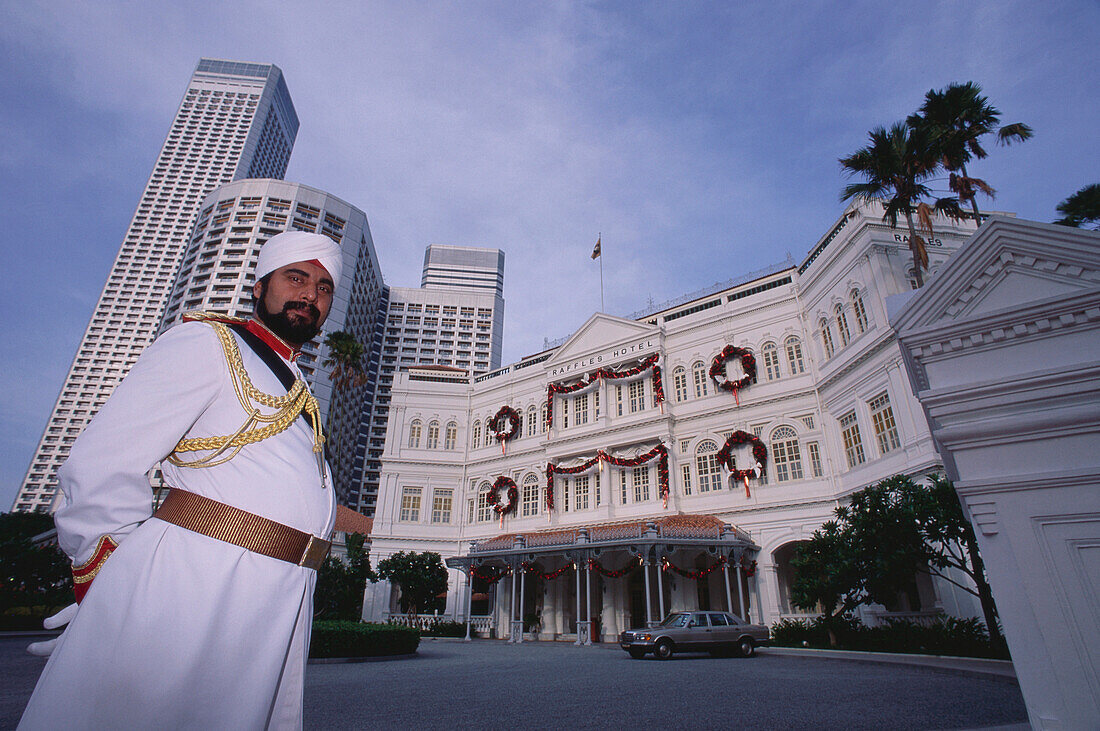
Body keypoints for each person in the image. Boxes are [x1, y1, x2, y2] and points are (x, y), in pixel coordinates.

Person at [19, 231, 345, 730]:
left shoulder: (296, 384)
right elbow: (102, 463)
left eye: (323, 288)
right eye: (295, 278)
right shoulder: (207, 342)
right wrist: (116, 576)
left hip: (282, 586)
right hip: (194, 577)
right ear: (259, 287)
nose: (310, 295)